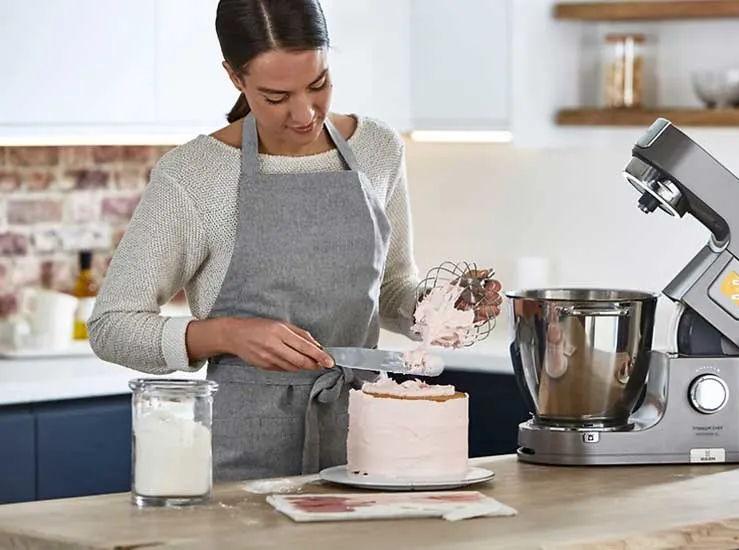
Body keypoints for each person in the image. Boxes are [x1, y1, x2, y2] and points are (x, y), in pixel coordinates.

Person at [87, 0, 502, 483]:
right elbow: (111, 326)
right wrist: (226, 334)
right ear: (235, 79)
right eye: (276, 96)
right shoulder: (194, 176)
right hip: (243, 461)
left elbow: (390, 291)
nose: (304, 114)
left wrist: (443, 308)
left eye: (319, 84)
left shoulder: (376, 149)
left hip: (365, 446)